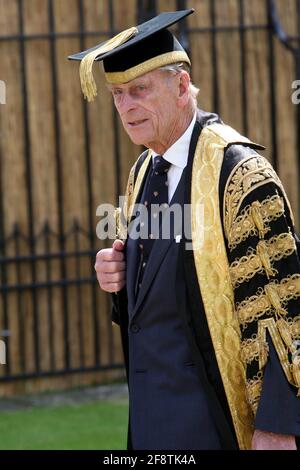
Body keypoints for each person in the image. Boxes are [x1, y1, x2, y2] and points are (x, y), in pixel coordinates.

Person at [69, 9, 300, 450]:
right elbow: (160, 292)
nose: (126, 106)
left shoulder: (241, 174)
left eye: (138, 90)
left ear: (180, 86)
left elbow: (281, 309)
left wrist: (277, 427)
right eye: (117, 94)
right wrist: (118, 275)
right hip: (151, 420)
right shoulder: (142, 172)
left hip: (218, 419)